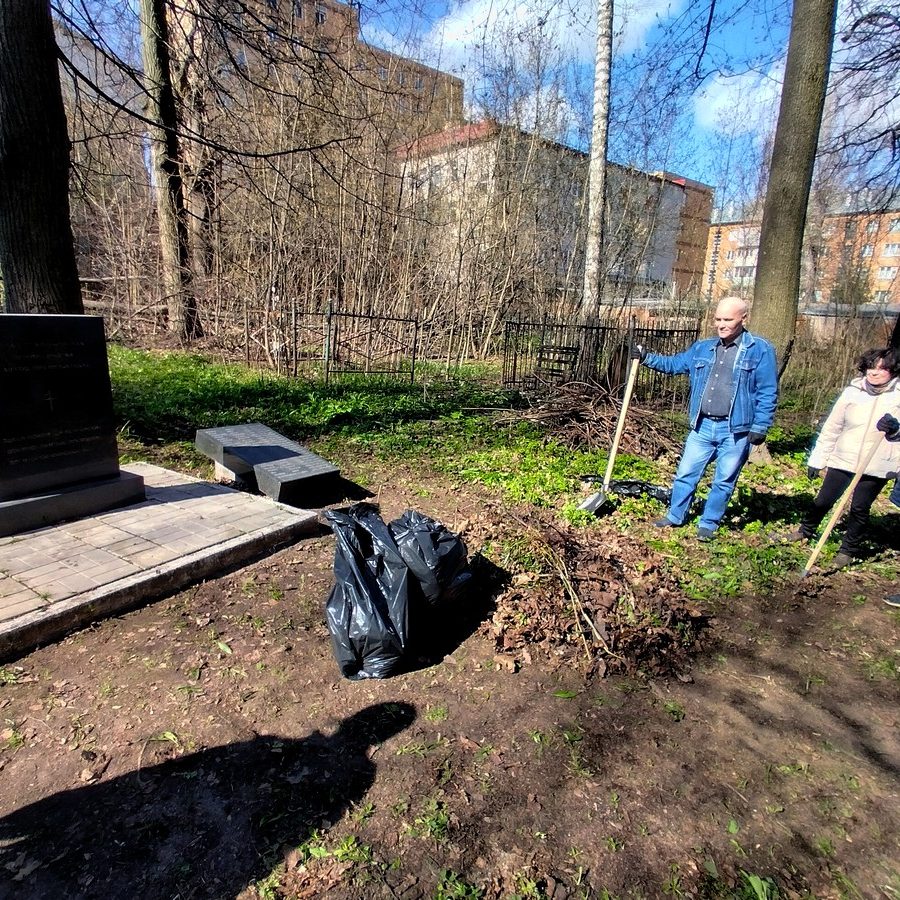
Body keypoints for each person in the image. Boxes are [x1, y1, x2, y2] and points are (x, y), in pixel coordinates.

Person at [631, 296, 778, 540]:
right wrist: (646, 357)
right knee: (686, 473)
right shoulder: (703, 348)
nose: (721, 324)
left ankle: (708, 524)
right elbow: (675, 364)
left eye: (727, 319)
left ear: (744, 318)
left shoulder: (760, 350)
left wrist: (761, 425)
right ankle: (675, 516)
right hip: (702, 426)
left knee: (724, 480)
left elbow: (767, 391)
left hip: (735, 430)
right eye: (718, 319)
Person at [787, 347, 900, 569]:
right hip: (844, 457)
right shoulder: (852, 392)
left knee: (859, 508)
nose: (874, 372)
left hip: (876, 464)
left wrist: (896, 429)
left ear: (893, 371)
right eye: (871, 367)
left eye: (882, 369)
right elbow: (832, 427)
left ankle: (847, 550)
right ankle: (805, 530)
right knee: (823, 500)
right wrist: (817, 459)